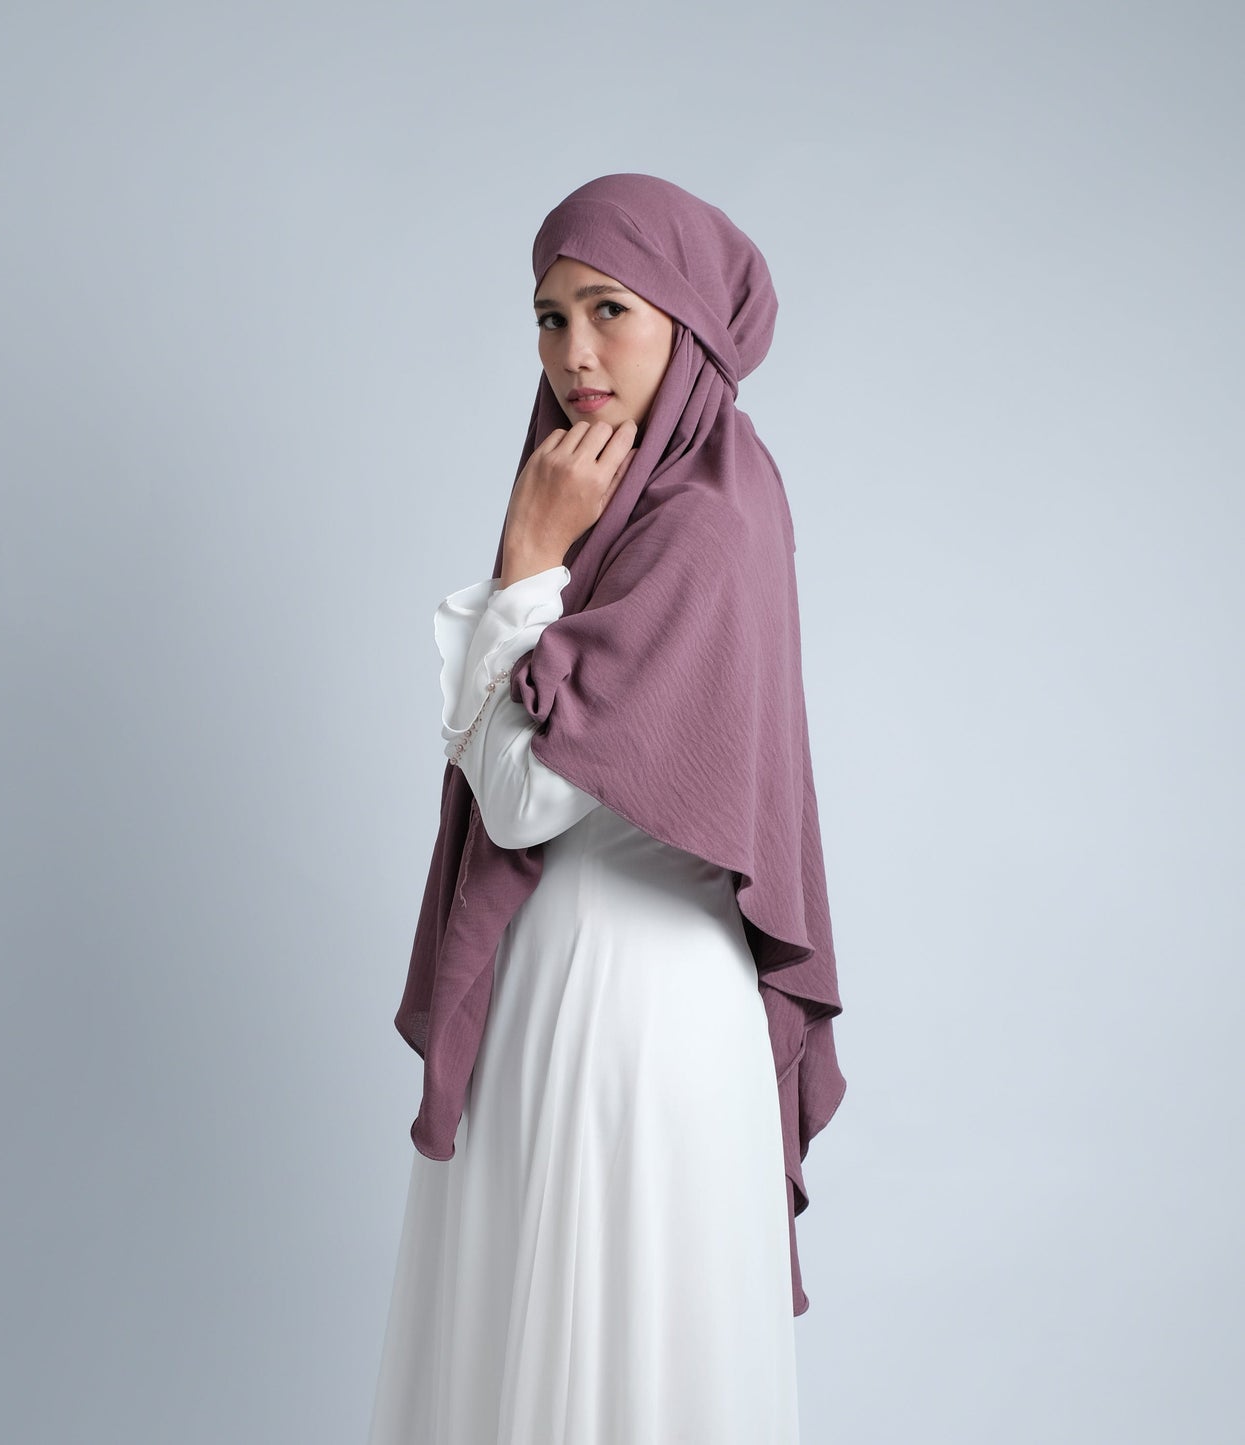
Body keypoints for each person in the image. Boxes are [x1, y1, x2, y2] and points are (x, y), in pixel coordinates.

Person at [367, 173, 846, 1445]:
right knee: (555, 1359)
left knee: (602, 1360)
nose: (573, 352)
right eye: (548, 317)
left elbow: (520, 799)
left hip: (624, 1011)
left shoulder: (695, 526)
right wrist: (535, 570)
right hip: (577, 990)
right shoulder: (656, 501)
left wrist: (524, 568)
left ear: (687, 323)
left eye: (608, 310)